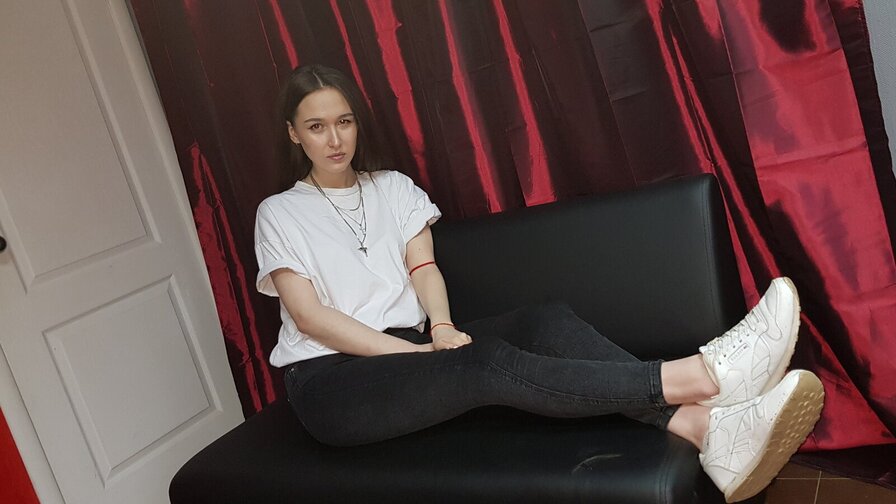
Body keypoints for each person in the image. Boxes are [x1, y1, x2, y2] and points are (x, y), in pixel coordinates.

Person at [254, 64, 824, 503]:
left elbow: (423, 269)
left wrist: (442, 328)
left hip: (413, 348)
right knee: (484, 364)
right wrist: (416, 353)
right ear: (293, 134)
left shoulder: (392, 187)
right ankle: (703, 377)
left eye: (344, 121)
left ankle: (703, 428)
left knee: (542, 320)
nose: (335, 139)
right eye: (316, 127)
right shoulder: (279, 212)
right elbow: (310, 317)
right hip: (332, 383)